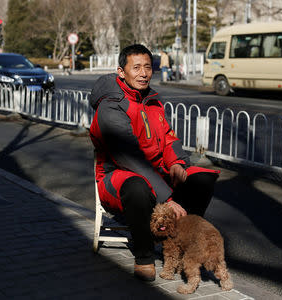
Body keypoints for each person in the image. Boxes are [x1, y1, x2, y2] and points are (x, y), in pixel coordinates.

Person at [89, 44, 219, 282]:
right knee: (137, 186)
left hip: (156, 173)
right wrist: (167, 199)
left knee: (202, 178)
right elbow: (128, 156)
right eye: (136, 67)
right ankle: (144, 256)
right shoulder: (110, 105)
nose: (143, 73)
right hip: (117, 174)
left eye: (147, 67)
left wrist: (177, 163)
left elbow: (168, 137)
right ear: (121, 72)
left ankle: (178, 244)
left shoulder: (153, 100)